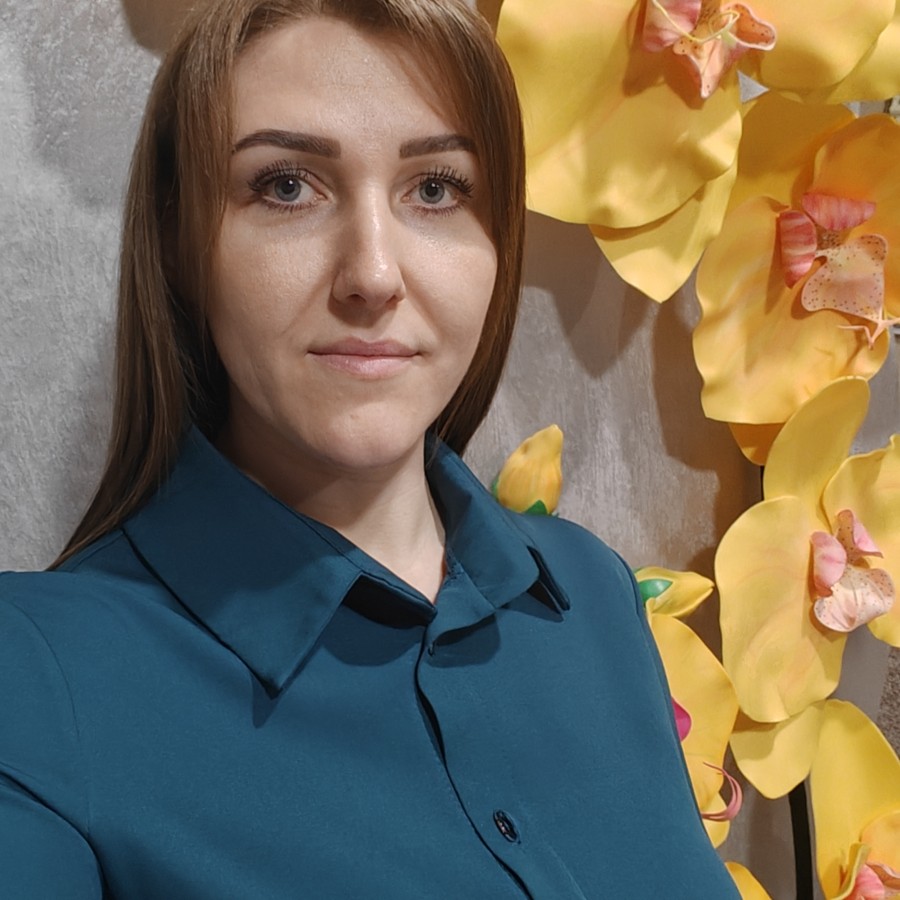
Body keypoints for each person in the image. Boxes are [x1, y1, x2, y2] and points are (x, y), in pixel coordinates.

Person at [0, 0, 741, 896]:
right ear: (180, 242)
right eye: (286, 186)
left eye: (436, 189)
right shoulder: (35, 680)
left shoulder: (592, 590)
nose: (374, 276)